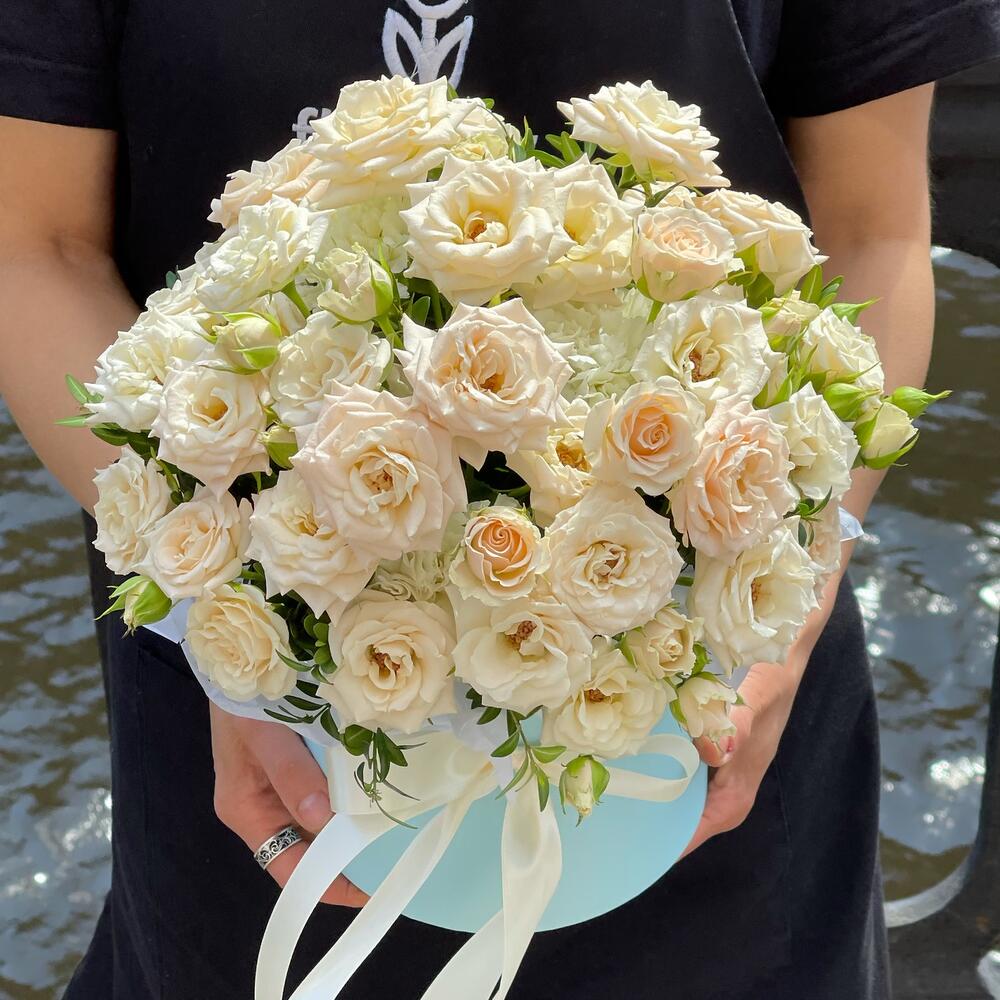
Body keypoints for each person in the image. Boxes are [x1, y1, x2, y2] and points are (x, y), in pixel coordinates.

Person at [1, 2, 999, 997]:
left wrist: (793, 598)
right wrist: (216, 617)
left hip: (717, 737)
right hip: (260, 742)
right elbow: (35, 247)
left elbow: (870, 228)